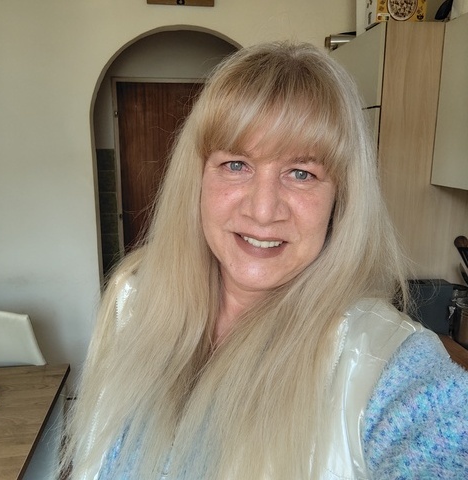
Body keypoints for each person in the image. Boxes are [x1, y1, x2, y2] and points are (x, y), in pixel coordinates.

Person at [61, 41, 468, 479]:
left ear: (341, 199)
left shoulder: (384, 364)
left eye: (301, 173)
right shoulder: (131, 301)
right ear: (197, 178)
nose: (262, 210)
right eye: (236, 165)